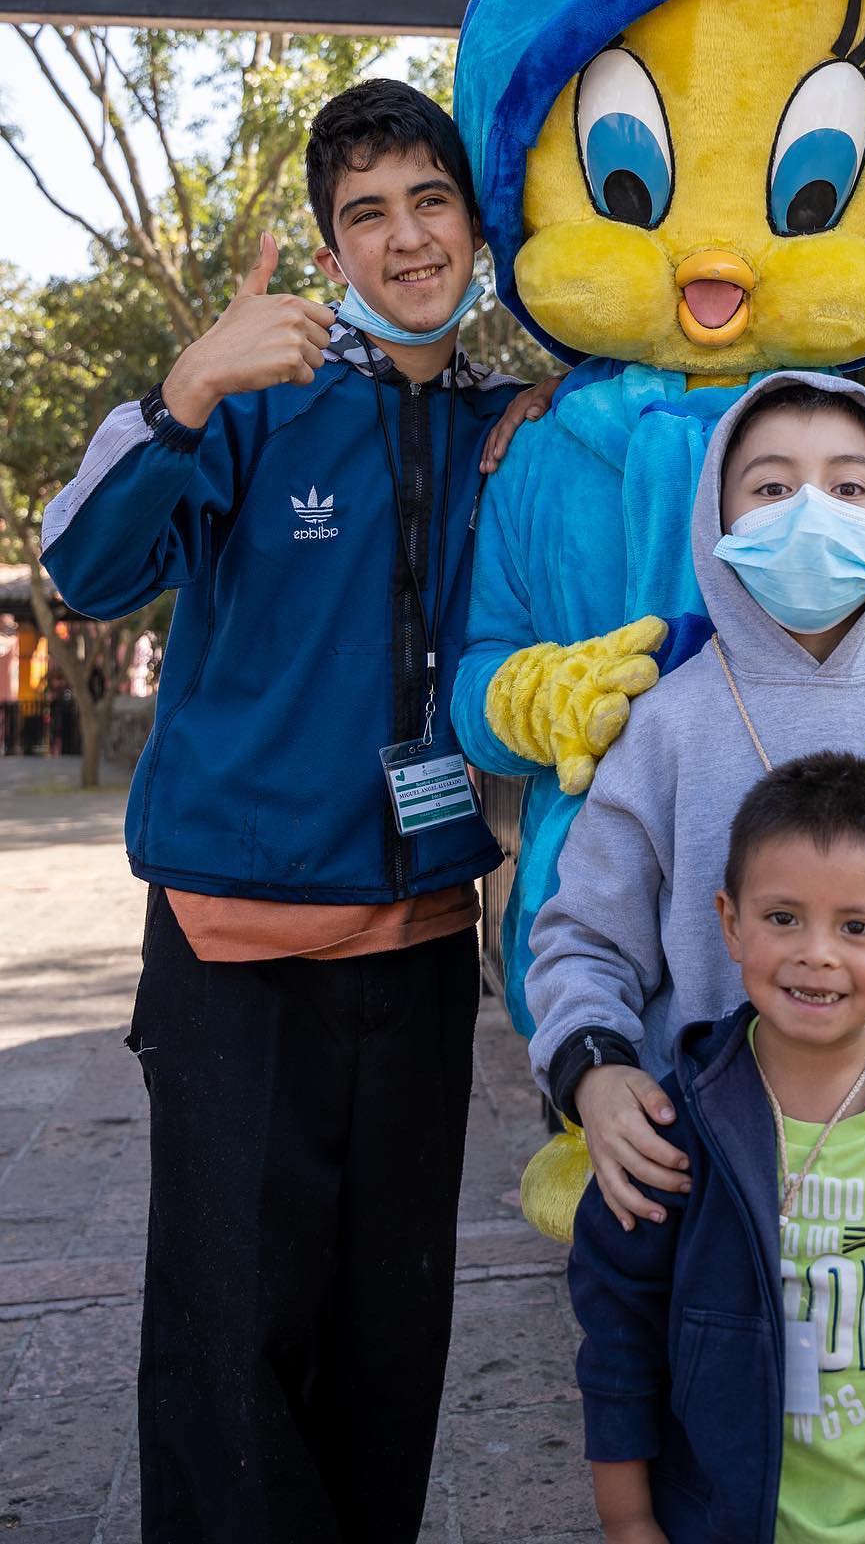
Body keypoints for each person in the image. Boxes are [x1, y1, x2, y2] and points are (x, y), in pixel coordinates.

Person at [40, 79, 556, 1544]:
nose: (405, 240)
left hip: (416, 950)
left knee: (394, 1334)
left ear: (476, 225)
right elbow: (82, 567)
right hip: (233, 955)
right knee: (230, 1338)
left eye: (429, 202)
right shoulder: (253, 403)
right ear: (332, 249)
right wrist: (183, 389)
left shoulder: (504, 429)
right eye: (366, 215)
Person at [516, 369, 865, 1235]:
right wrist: (593, 1070)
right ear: (717, 514)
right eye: (772, 486)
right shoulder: (664, 723)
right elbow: (585, 940)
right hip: (707, 1180)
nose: (810, 511)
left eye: (850, 485)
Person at [569, 750, 865, 1544]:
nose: (817, 952)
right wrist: (626, 1518)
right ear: (730, 922)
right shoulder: (679, 1122)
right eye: (783, 917)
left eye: (857, 926)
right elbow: (619, 1326)